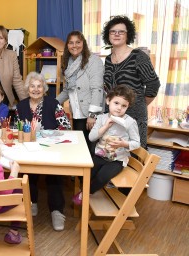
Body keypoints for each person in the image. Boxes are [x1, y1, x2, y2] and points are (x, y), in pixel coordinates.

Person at [15, 72, 71, 231]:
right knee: (27, 173)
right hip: (30, 148)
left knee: (54, 175)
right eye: (32, 86)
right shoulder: (21, 106)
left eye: (39, 86)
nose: (36, 89)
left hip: (51, 148)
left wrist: (48, 134)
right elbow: (19, 128)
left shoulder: (53, 103)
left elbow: (66, 127)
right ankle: (31, 202)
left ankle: (57, 211)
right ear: (27, 88)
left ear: (44, 88)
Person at [72, 85, 140, 205]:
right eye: (116, 103)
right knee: (84, 174)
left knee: (102, 177)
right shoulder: (101, 118)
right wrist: (105, 126)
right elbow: (91, 137)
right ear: (108, 101)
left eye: (124, 106)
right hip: (100, 156)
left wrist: (124, 144)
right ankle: (93, 189)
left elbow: (137, 143)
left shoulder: (130, 122)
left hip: (117, 160)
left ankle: (86, 193)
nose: (119, 108)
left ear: (128, 106)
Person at [102, 15, 160, 149]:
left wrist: (138, 104)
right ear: (108, 35)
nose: (116, 34)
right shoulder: (109, 59)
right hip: (114, 115)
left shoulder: (139, 56)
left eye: (121, 31)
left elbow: (153, 84)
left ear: (128, 35)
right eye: (113, 31)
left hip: (134, 116)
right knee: (114, 153)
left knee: (133, 153)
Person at [56, 30, 104, 152]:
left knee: (92, 149)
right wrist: (50, 103)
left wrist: (92, 115)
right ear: (67, 45)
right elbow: (67, 91)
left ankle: (93, 172)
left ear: (83, 43)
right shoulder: (68, 63)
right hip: (77, 113)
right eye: (71, 43)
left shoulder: (93, 60)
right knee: (81, 148)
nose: (74, 45)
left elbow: (97, 89)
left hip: (90, 114)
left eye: (78, 42)